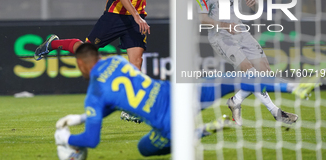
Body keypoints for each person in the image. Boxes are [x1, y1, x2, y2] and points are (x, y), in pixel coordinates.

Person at [54, 43, 318, 157]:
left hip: (168, 122)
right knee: (233, 79)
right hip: (182, 93)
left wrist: (64, 138)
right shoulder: (114, 60)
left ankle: (198, 132)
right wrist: (81, 117)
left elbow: (91, 140)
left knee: (145, 149)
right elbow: (117, 99)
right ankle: (289, 86)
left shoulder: (95, 91)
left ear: (81, 65)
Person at [197, 0, 301, 126]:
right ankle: (276, 112)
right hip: (220, 36)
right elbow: (202, 18)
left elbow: (255, 6)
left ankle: (235, 101)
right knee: (250, 72)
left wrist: (254, 4)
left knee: (265, 71)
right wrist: (224, 25)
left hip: (240, 31)